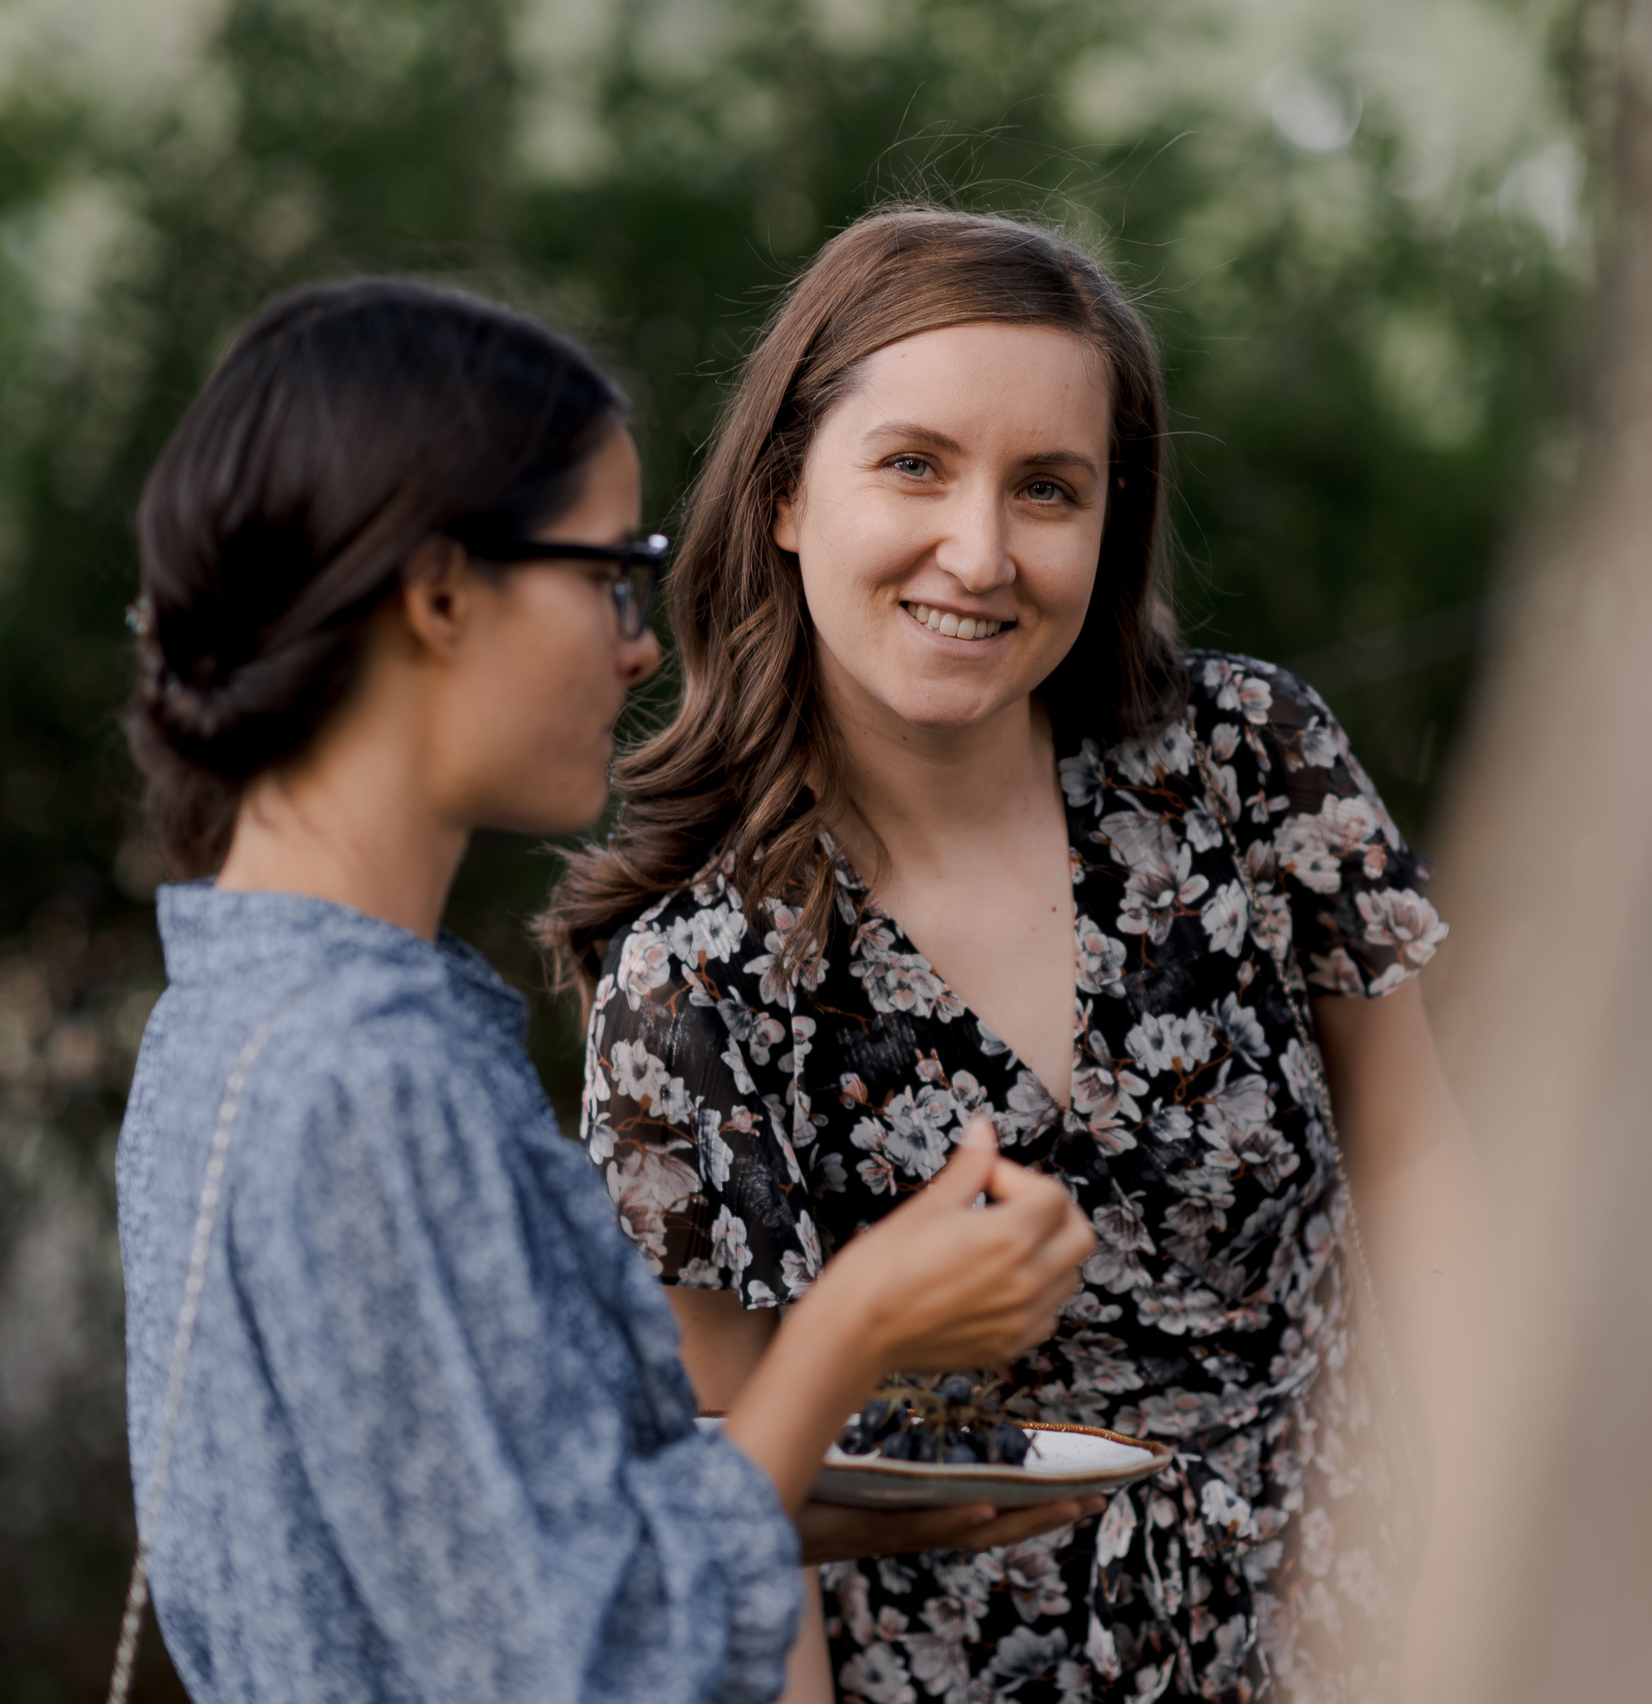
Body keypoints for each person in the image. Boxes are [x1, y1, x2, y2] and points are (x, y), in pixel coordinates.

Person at [114, 276, 1095, 1704]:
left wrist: (802, 1508)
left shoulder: (230, 1008)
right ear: (440, 590)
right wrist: (851, 1330)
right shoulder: (368, 1074)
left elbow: (455, 1560)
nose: (639, 644)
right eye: (607, 576)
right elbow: (582, 1666)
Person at [549, 209, 1483, 1703]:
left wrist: (1488, 1596)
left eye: (1048, 488)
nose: (978, 553)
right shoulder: (700, 983)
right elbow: (736, 1511)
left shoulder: (1251, 762)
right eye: (913, 464)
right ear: (788, 493)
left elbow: (1424, 1167)